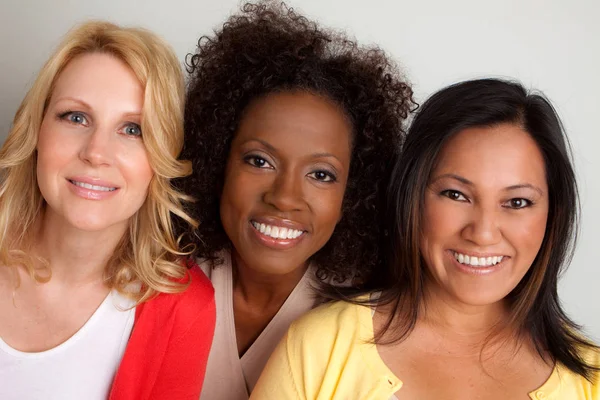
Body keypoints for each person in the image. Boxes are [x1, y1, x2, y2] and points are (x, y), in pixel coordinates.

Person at [251, 78, 600, 399]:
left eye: (517, 202)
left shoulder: (590, 380)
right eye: (455, 194)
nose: (482, 232)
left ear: (553, 215)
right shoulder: (320, 347)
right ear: (411, 195)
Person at [176, 1, 415, 398]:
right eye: (260, 161)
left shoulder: (372, 323)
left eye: (321, 175)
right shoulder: (156, 275)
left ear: (352, 194)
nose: (285, 197)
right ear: (217, 161)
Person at [0, 21, 215, 400]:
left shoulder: (184, 310)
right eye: (75, 117)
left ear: (161, 157)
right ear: (35, 131)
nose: (96, 153)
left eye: (133, 129)